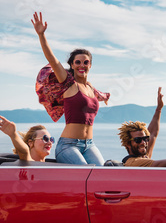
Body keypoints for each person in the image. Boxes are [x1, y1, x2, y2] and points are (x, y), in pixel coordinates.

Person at [31, 12, 110, 165]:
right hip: (68, 145)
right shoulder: (68, 83)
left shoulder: (91, 88)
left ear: (90, 65)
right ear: (72, 65)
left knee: (103, 173)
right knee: (86, 173)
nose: (82, 65)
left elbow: (100, 96)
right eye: (78, 62)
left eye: (85, 62)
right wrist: (41, 35)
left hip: (89, 145)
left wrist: (106, 96)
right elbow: (52, 59)